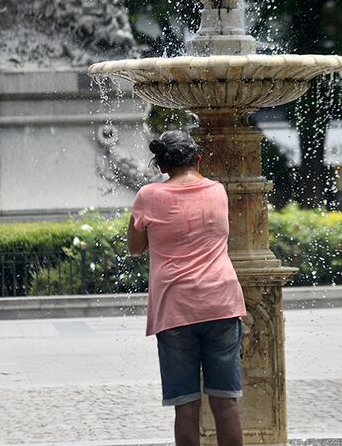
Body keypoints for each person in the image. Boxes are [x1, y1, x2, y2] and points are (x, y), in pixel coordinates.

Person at [128, 130, 246, 446]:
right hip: (221, 302)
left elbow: (135, 247)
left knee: (186, 406)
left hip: (175, 308)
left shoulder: (148, 196)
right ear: (198, 158)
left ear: (162, 166)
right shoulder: (218, 191)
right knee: (225, 402)